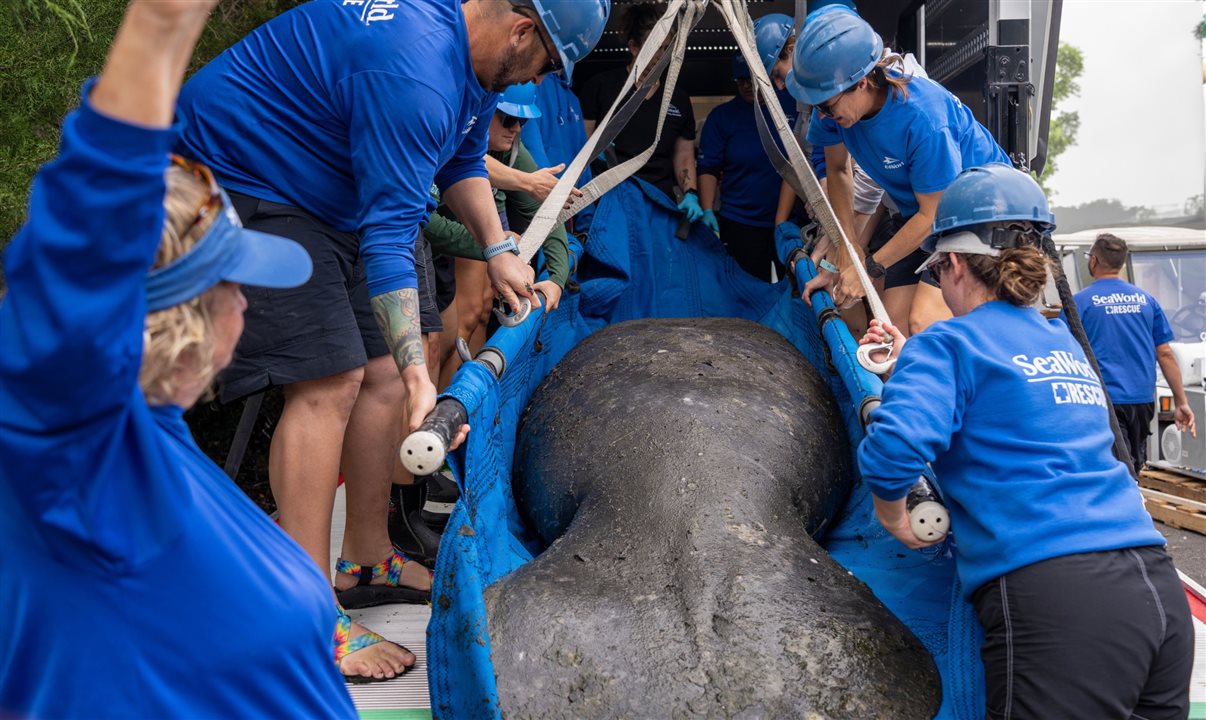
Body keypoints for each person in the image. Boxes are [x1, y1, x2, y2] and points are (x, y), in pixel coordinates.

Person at [173, 0, 607, 680]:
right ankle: (305, 617)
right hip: (236, 178)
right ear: (523, 30)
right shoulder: (415, 70)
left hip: (320, 191)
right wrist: (418, 377)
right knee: (331, 381)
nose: (535, 82)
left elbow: (462, 159)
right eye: (545, 65)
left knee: (376, 372)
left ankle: (365, 555)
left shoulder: (470, 65)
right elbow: (388, 237)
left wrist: (497, 248)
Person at [0, 0, 363, 713]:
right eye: (235, 282)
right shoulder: (87, 467)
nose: (249, 303)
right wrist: (161, 26)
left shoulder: (154, 443)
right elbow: (87, 236)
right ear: (177, 313)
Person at [858, 164, 1192, 720]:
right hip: (1155, 592)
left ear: (956, 263)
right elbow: (1014, 407)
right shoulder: (1060, 342)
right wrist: (909, 364)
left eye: (937, 272)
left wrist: (892, 513)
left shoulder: (948, 344)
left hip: (1059, 601)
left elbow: (894, 450)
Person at [788, 6, 1010, 337]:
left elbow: (933, 213)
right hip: (925, 216)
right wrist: (848, 254)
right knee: (890, 327)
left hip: (983, 216)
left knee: (924, 321)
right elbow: (837, 171)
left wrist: (868, 267)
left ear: (861, 83)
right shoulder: (836, 115)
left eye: (826, 104)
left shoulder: (923, 117)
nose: (821, 115)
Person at [1071, 233, 1197, 472]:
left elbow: (1062, 351)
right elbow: (1166, 354)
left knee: (1114, 468)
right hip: (1142, 400)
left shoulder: (1079, 302)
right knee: (1134, 464)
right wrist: (1181, 402)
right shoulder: (1147, 300)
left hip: (1103, 400)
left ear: (1094, 260)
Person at [578, 2, 700, 223]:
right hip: (611, 202)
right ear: (633, 47)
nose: (661, 55)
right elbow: (582, 145)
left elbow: (684, 155)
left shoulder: (678, 98)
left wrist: (690, 193)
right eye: (655, 47)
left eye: (666, 48)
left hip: (660, 204)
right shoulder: (601, 86)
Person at [697, 26, 800, 281]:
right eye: (739, 80)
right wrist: (707, 209)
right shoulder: (722, 117)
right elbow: (708, 167)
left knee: (798, 289)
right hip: (742, 223)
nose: (745, 86)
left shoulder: (795, 105)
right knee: (749, 292)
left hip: (790, 220)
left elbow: (799, 161)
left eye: (750, 79)